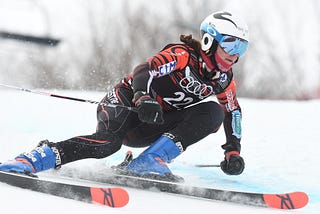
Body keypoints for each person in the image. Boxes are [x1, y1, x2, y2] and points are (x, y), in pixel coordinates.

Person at [0, 11, 249, 180]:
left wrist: (233, 152)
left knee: (213, 111)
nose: (235, 54)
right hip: (125, 105)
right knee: (107, 144)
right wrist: (143, 97)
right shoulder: (182, 56)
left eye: (242, 47)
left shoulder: (223, 79)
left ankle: (150, 161)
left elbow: (232, 112)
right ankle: (32, 160)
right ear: (209, 40)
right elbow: (144, 70)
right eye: (230, 44)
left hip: (152, 123)